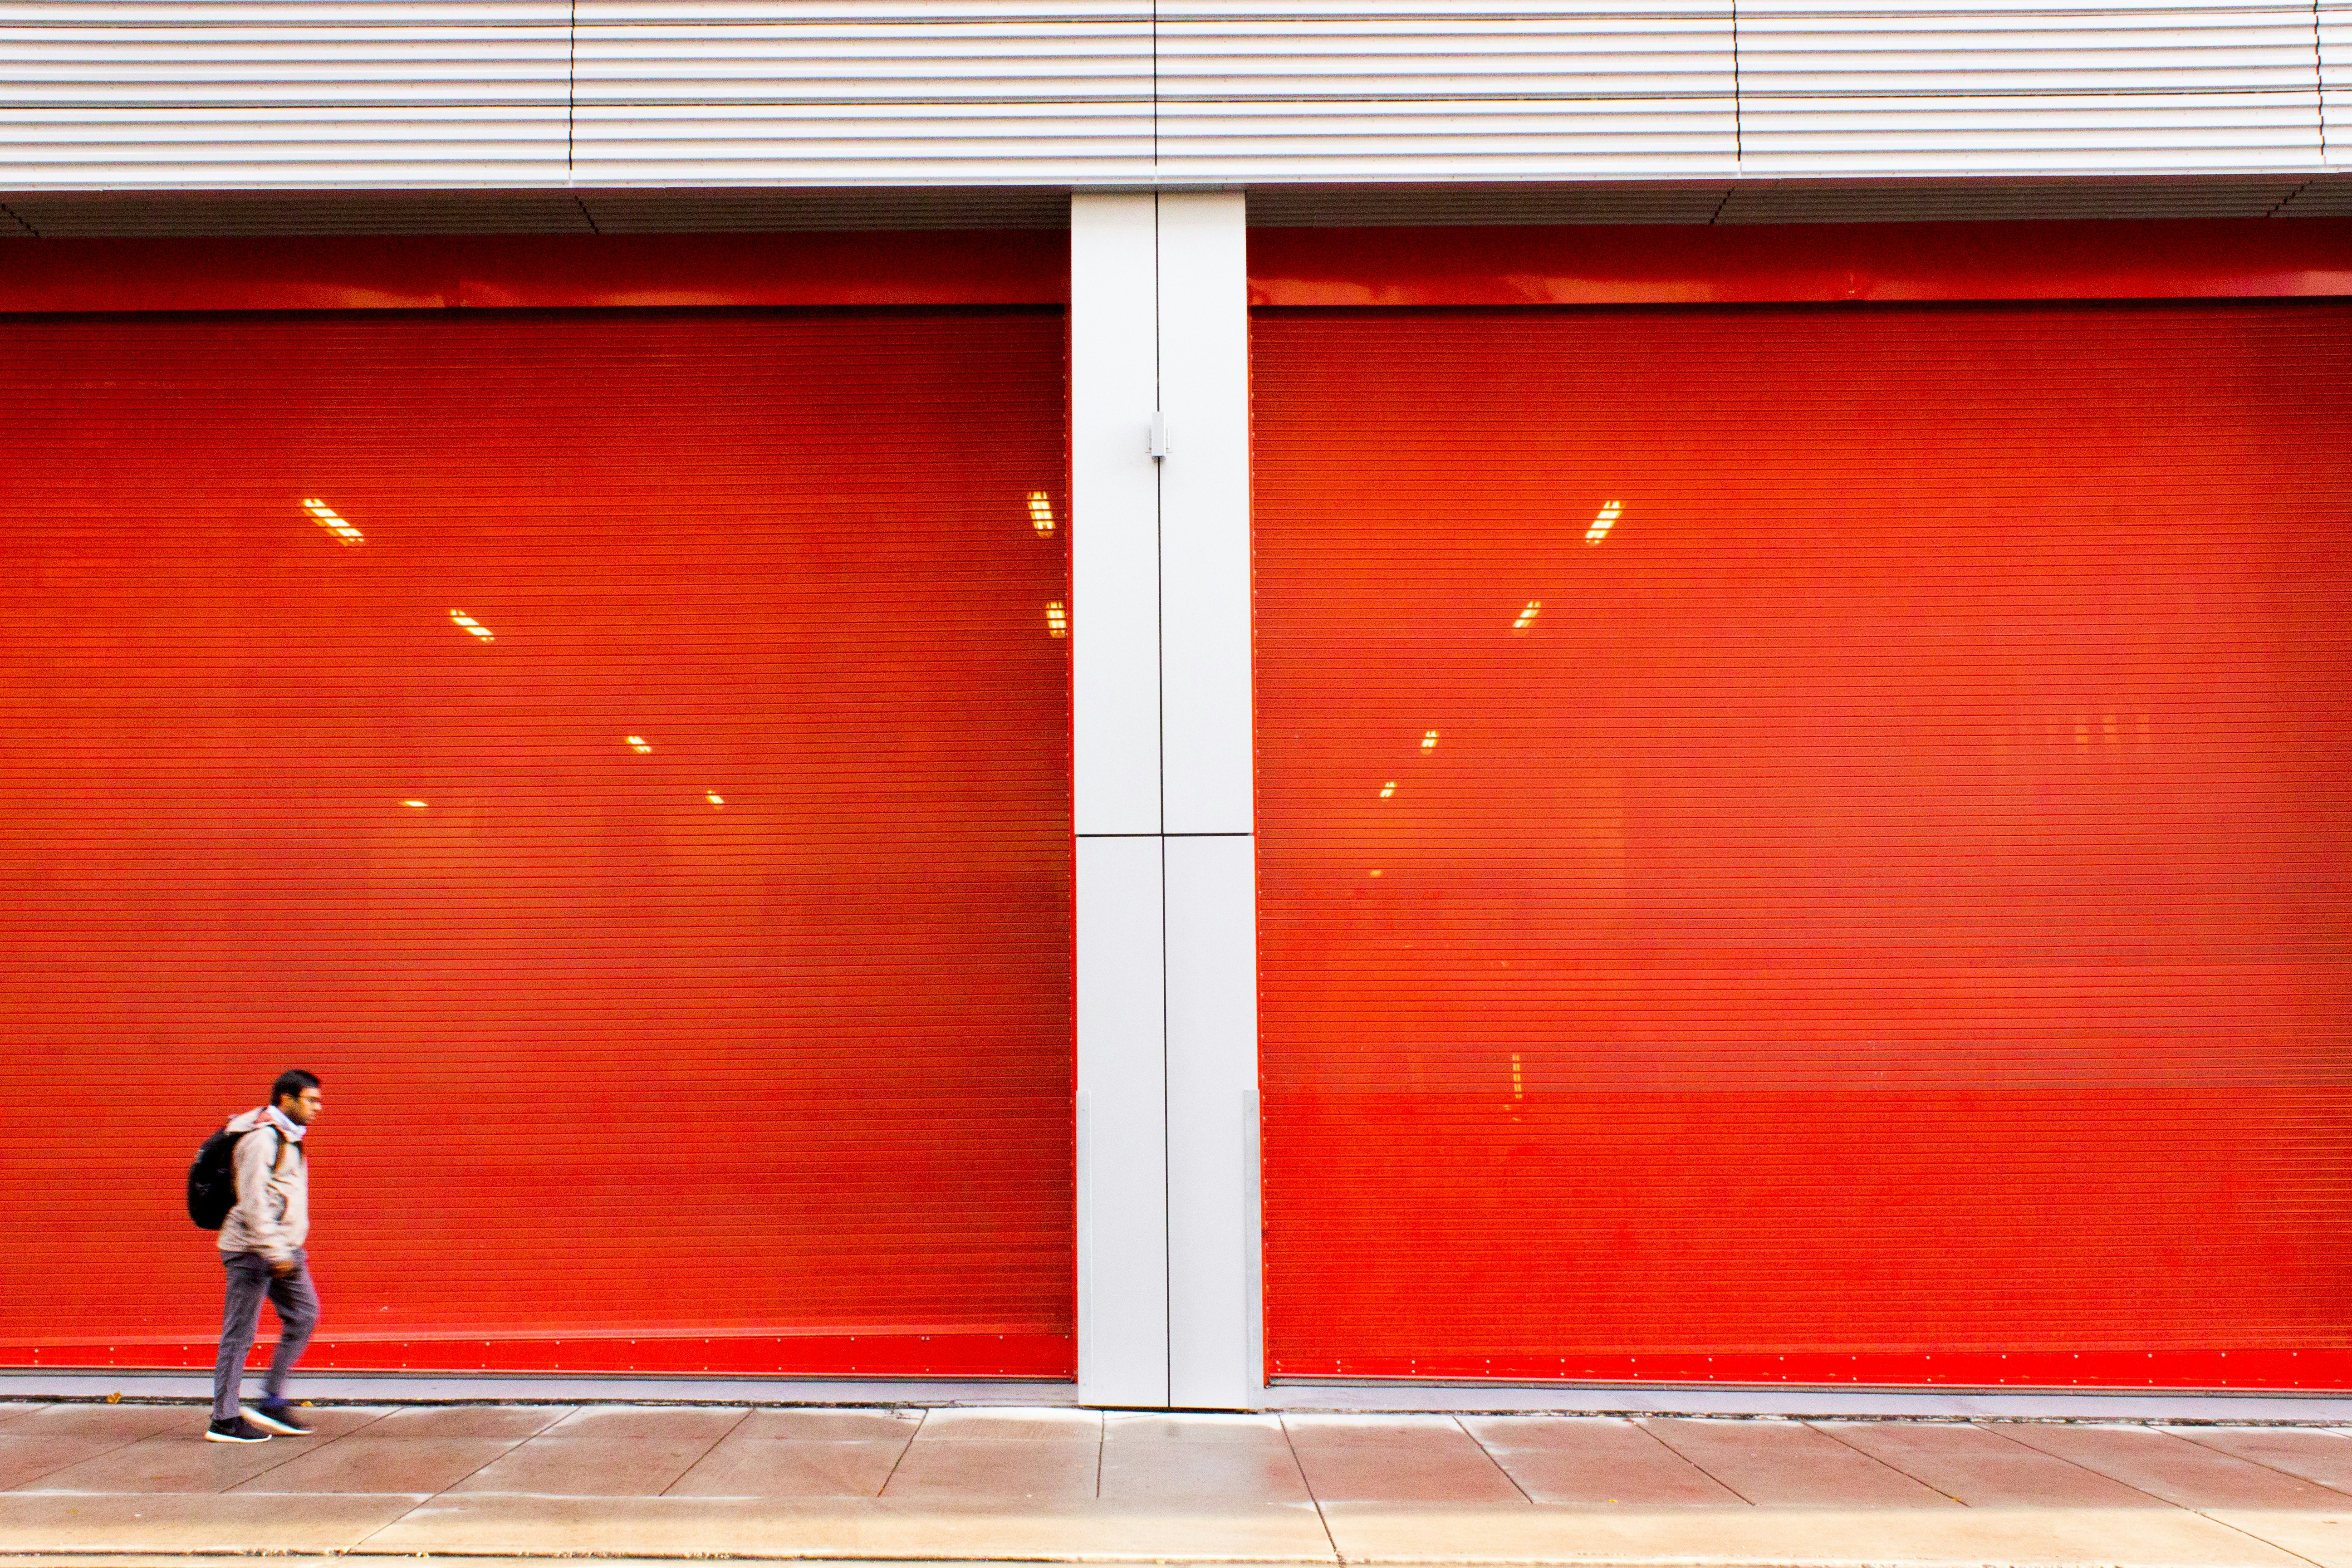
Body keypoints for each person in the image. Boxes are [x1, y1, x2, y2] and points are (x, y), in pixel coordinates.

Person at [206, 1069, 323, 1443]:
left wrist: (285, 1249)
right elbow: (254, 1202)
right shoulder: (262, 1139)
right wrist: (275, 1253)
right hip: (251, 1250)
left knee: (304, 1314)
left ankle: (271, 1401)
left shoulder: (289, 1137)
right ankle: (223, 1421)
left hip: (282, 1248)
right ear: (286, 1099)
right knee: (239, 1335)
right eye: (311, 1100)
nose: (318, 1108)